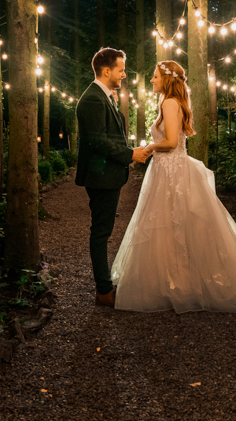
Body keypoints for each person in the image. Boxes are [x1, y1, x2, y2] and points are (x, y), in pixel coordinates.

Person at [111, 61, 236, 313]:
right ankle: (174, 283)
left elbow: (170, 141)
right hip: (167, 169)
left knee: (175, 225)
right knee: (169, 227)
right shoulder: (168, 103)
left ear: (167, 80)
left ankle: (180, 285)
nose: (152, 80)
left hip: (172, 172)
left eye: (155, 76)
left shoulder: (170, 103)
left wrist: (148, 147)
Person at [75, 48, 149, 308]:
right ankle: (104, 290)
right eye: (120, 69)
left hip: (107, 175)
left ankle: (104, 286)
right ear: (106, 71)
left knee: (103, 230)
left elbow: (111, 132)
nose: (124, 74)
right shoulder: (93, 99)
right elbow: (98, 142)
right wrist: (131, 155)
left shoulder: (104, 97)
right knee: (101, 232)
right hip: (100, 176)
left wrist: (115, 106)